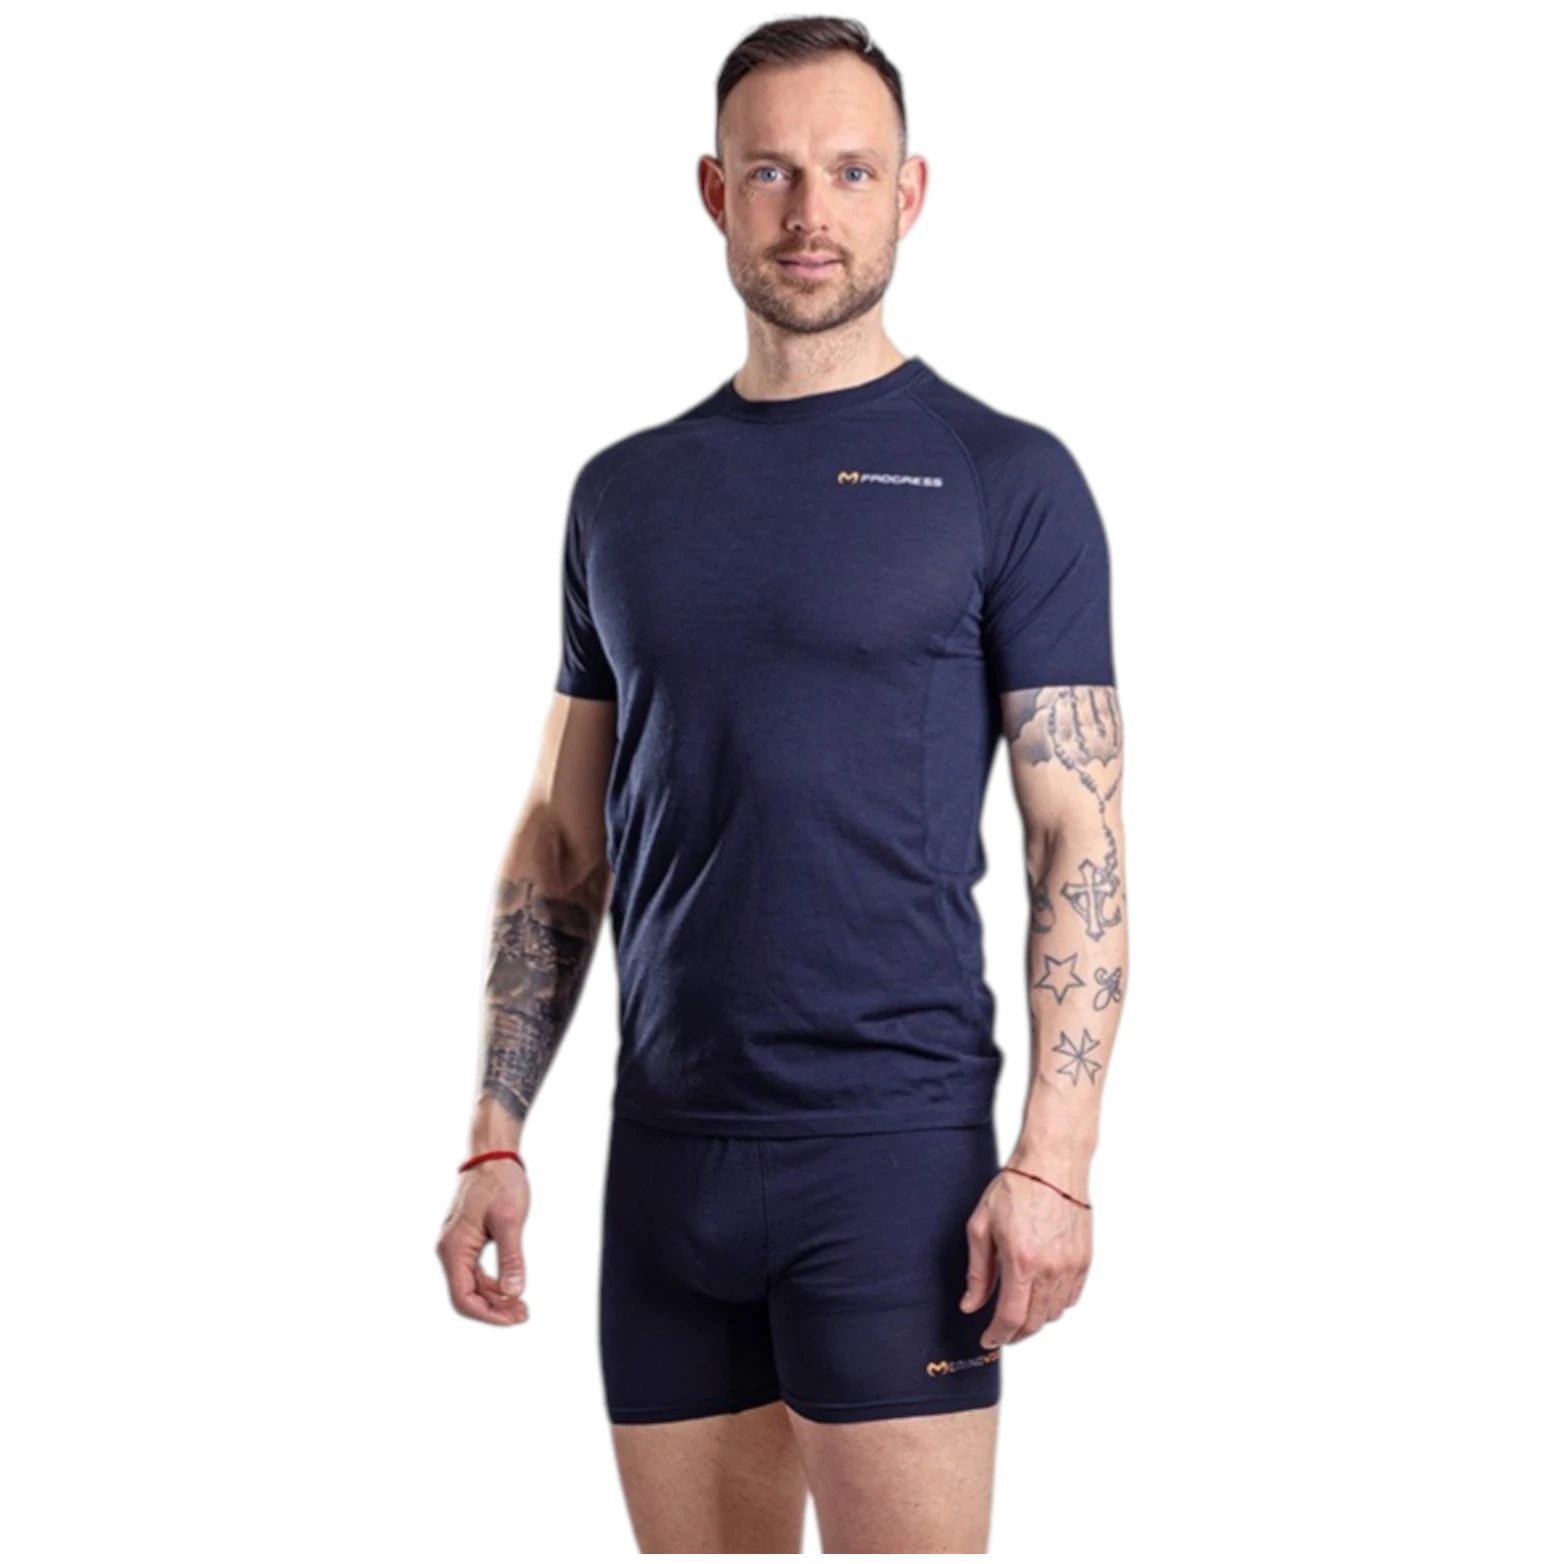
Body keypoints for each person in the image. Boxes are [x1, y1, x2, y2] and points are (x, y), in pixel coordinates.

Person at [435, 15, 1129, 1554]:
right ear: (715, 191)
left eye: (851, 171)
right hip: (665, 1163)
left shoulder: (1004, 478)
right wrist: (494, 1130)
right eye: (771, 172)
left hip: (892, 1163)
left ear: (911, 192)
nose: (811, 211)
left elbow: (1075, 832)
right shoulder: (622, 493)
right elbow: (561, 835)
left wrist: (1058, 1161)